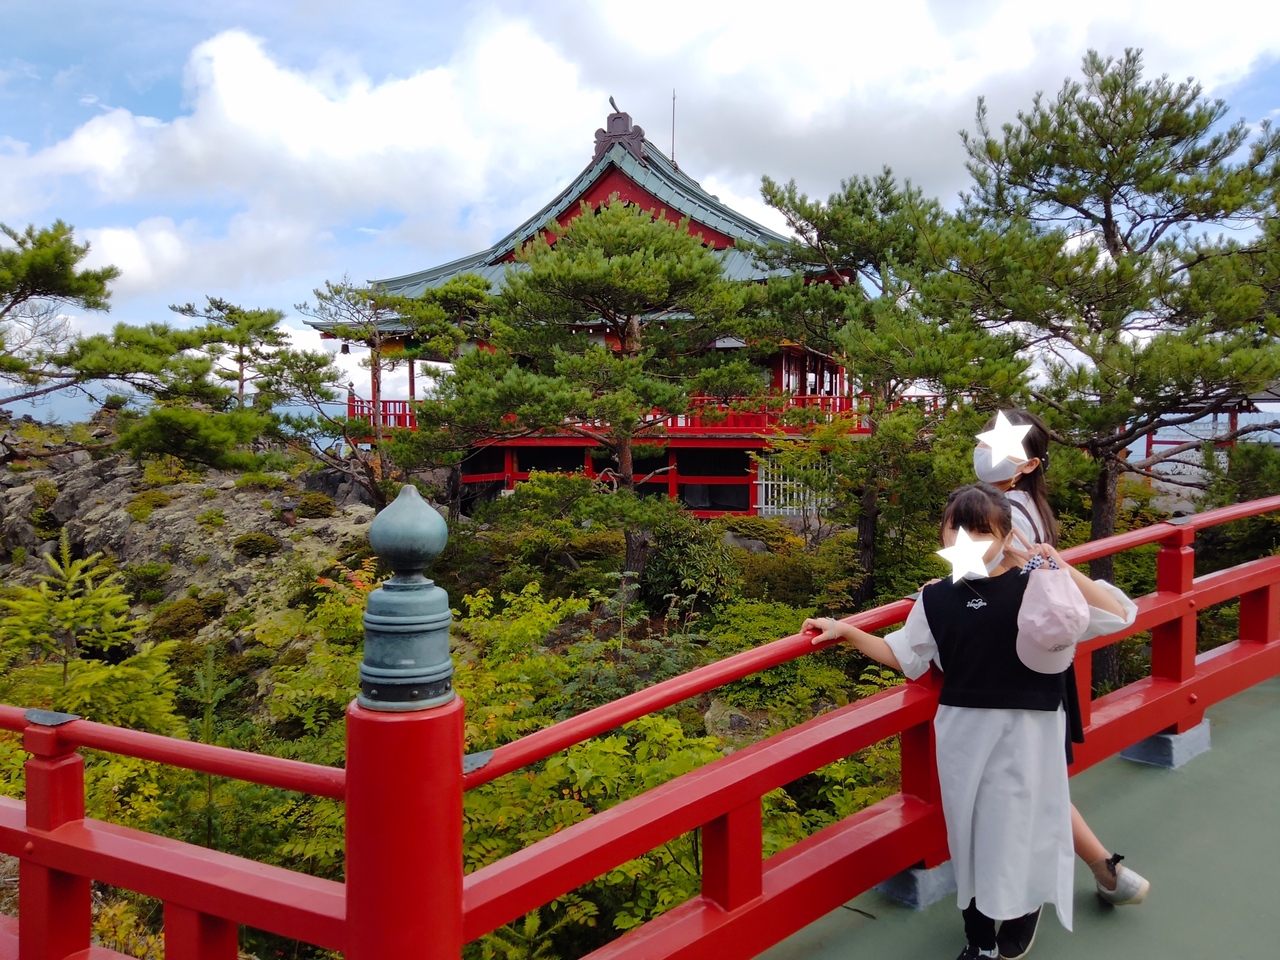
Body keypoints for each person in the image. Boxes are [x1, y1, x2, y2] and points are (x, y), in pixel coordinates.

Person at [803, 484, 1137, 960]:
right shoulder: (936, 597)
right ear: (943, 533)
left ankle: (1024, 908)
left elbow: (1119, 614)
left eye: (983, 531)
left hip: (1029, 729)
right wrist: (844, 630)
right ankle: (978, 936)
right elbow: (906, 656)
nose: (969, 540)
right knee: (969, 830)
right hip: (962, 728)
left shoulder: (1039, 585)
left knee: (1018, 823)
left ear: (1007, 535)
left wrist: (1055, 563)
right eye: (958, 530)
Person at [974, 409, 1151, 911]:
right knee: (1037, 779)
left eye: (1001, 446)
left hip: (1013, 665)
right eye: (986, 440)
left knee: (1027, 784)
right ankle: (1109, 872)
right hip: (1038, 659)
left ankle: (1044, 895)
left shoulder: (1004, 510)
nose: (985, 450)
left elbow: (993, 578)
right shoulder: (1027, 504)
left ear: (1029, 464)